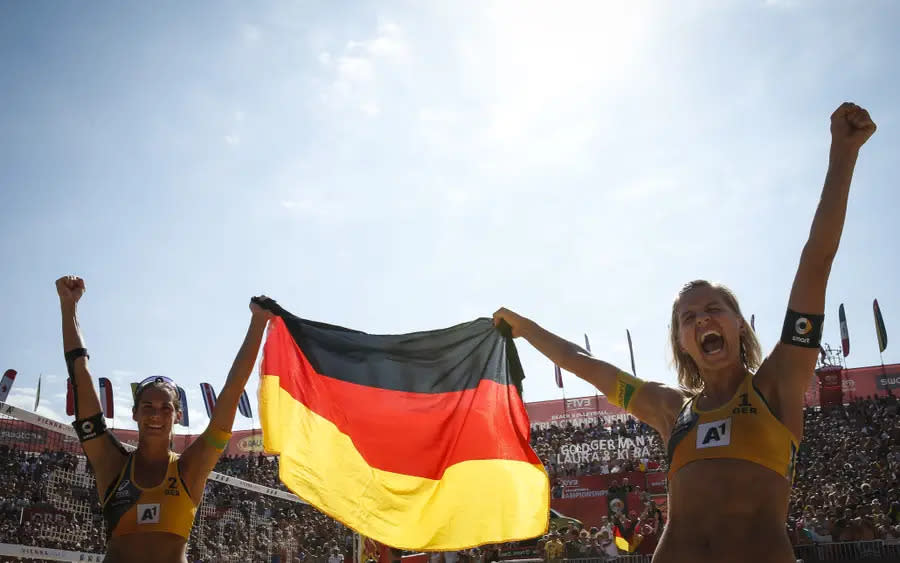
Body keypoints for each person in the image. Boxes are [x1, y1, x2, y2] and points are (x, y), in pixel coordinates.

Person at [493, 102, 876, 563]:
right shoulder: (670, 409)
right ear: (680, 341)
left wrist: (843, 155)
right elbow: (586, 363)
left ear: (738, 323)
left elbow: (816, 263)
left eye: (714, 309)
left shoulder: (778, 384)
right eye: (689, 318)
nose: (702, 320)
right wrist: (527, 328)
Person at [55, 275, 274, 563]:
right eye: (147, 407)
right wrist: (68, 307)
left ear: (178, 416)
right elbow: (80, 374)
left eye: (165, 408)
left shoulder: (188, 469)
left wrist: (258, 323)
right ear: (134, 413)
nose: (156, 415)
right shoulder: (113, 463)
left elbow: (232, 392)